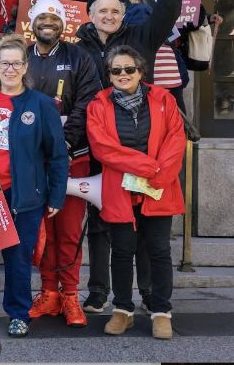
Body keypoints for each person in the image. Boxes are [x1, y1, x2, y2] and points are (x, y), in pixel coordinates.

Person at [0, 35, 68, 338]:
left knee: (18, 255)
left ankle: (18, 311)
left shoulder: (41, 104)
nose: (9, 68)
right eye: (4, 63)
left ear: (25, 67)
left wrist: (56, 194)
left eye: (16, 63)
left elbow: (57, 154)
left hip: (23, 193)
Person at [87, 46, 186, 341]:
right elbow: (104, 148)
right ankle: (122, 310)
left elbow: (175, 139)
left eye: (129, 69)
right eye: (116, 70)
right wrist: (149, 167)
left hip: (159, 189)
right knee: (121, 252)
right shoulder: (98, 104)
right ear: (109, 75)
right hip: (120, 190)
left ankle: (161, 311)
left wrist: (160, 175)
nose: (123, 75)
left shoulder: (163, 99)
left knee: (159, 251)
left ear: (140, 71)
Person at [23, 0, 102, 327]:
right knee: (43, 231)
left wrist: (65, 142)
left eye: (54, 18)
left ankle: (70, 296)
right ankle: (48, 292)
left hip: (73, 156)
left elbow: (88, 102)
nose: (48, 22)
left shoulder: (79, 56)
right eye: (42, 16)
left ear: (63, 25)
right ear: (32, 21)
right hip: (31, 161)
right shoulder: (21, 56)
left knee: (68, 230)